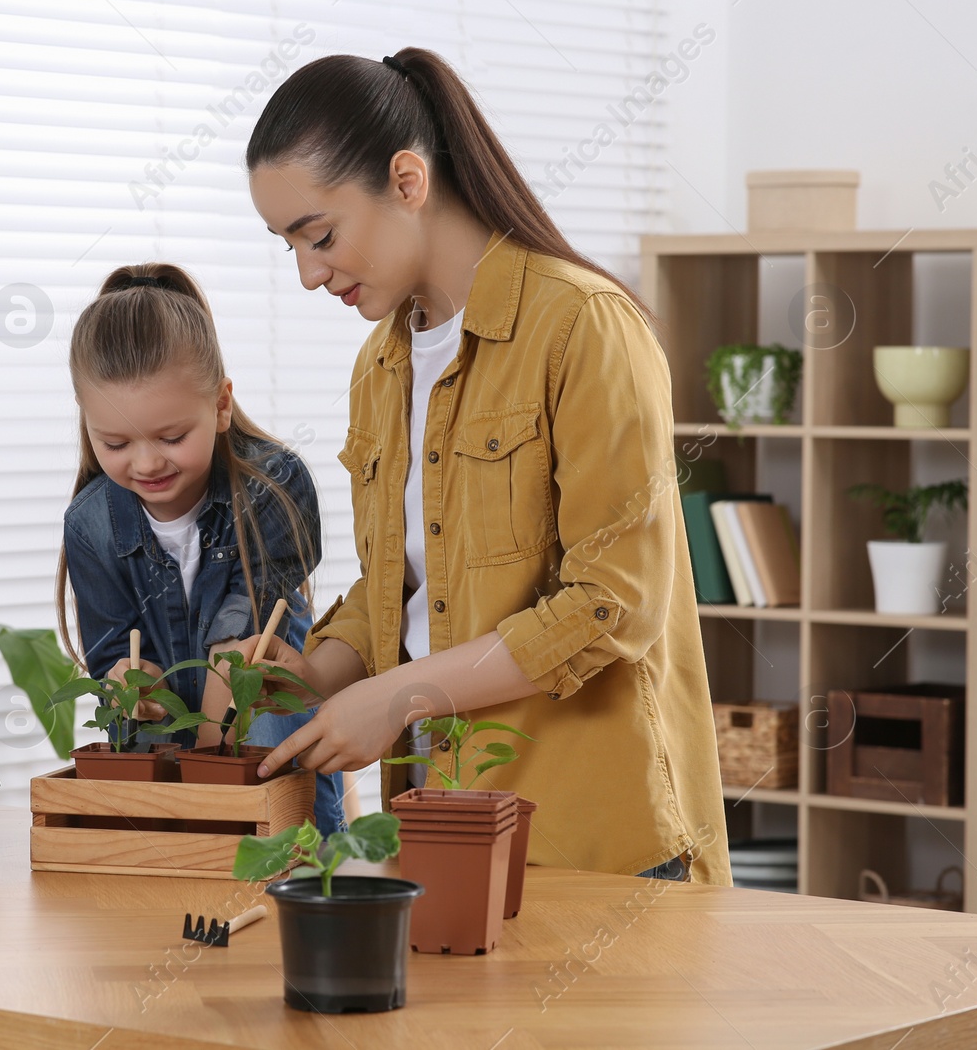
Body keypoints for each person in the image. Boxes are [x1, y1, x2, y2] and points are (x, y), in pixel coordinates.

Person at [241, 49, 730, 884]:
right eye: (289, 247)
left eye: (319, 236)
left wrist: (400, 697)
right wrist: (313, 676)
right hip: (438, 833)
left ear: (406, 180)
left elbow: (613, 604)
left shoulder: (584, 327)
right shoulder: (380, 367)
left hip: (594, 845)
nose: (309, 273)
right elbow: (400, 585)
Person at [55, 262, 346, 833]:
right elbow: (115, 652)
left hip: (253, 708)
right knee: (134, 743)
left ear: (220, 405)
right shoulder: (90, 524)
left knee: (260, 721)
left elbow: (235, 656)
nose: (145, 463)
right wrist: (129, 683)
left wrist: (207, 797)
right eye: (114, 442)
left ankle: (299, 868)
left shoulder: (274, 486)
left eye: (171, 437)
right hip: (172, 739)